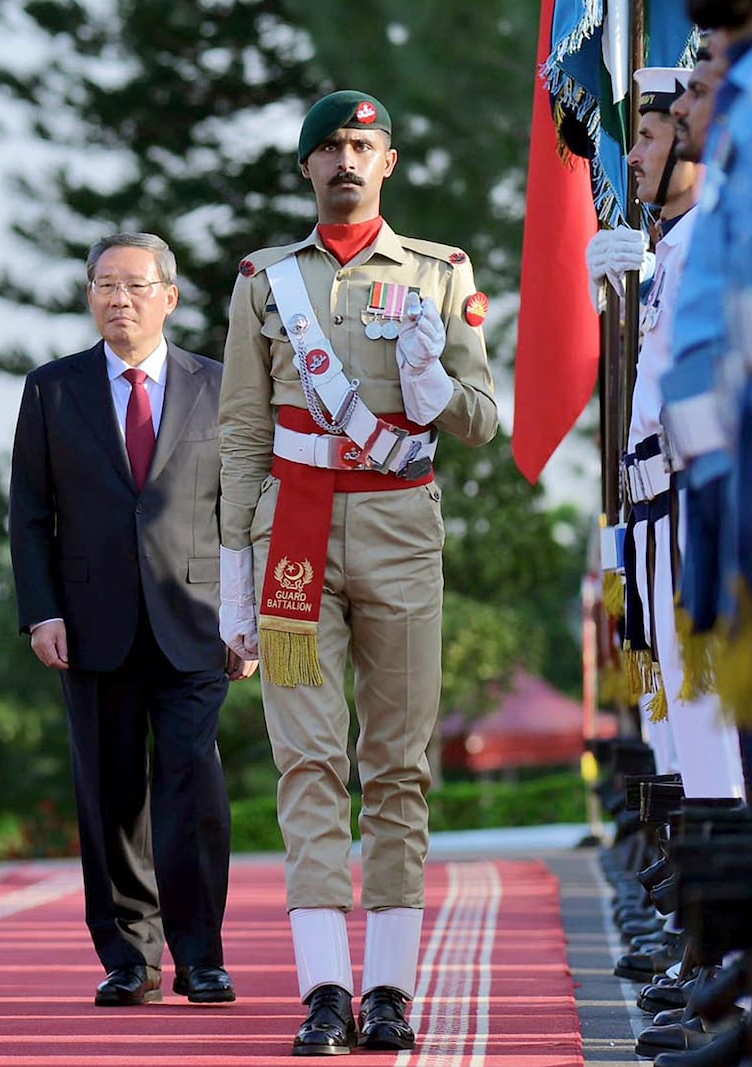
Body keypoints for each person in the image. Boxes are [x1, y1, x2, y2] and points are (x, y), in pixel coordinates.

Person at [218, 91, 498, 1054]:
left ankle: (388, 986)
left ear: (388, 162)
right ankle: (324, 988)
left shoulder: (439, 271)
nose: (345, 159)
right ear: (305, 168)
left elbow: (483, 417)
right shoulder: (264, 280)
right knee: (306, 759)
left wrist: (436, 389)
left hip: (399, 527)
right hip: (289, 529)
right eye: (329, 146)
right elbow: (243, 432)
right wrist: (230, 580)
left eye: (362, 145)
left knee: (398, 764)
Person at [9, 231, 249, 1009]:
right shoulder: (52, 389)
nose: (119, 299)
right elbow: (28, 515)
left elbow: (241, 511)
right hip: (90, 621)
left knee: (192, 783)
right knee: (109, 793)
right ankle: (128, 954)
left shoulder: (219, 386)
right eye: (105, 285)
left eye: (136, 286)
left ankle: (200, 954)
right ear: (90, 297)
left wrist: (244, 615)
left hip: (197, 620)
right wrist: (41, 610)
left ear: (169, 298)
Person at [585, 65, 745, 805]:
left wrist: (647, 275)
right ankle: (701, 890)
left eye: (648, 137)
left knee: (713, 705)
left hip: (690, 496)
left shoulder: (708, 236)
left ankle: (730, 889)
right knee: (684, 705)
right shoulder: (677, 242)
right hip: (656, 510)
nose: (637, 157)